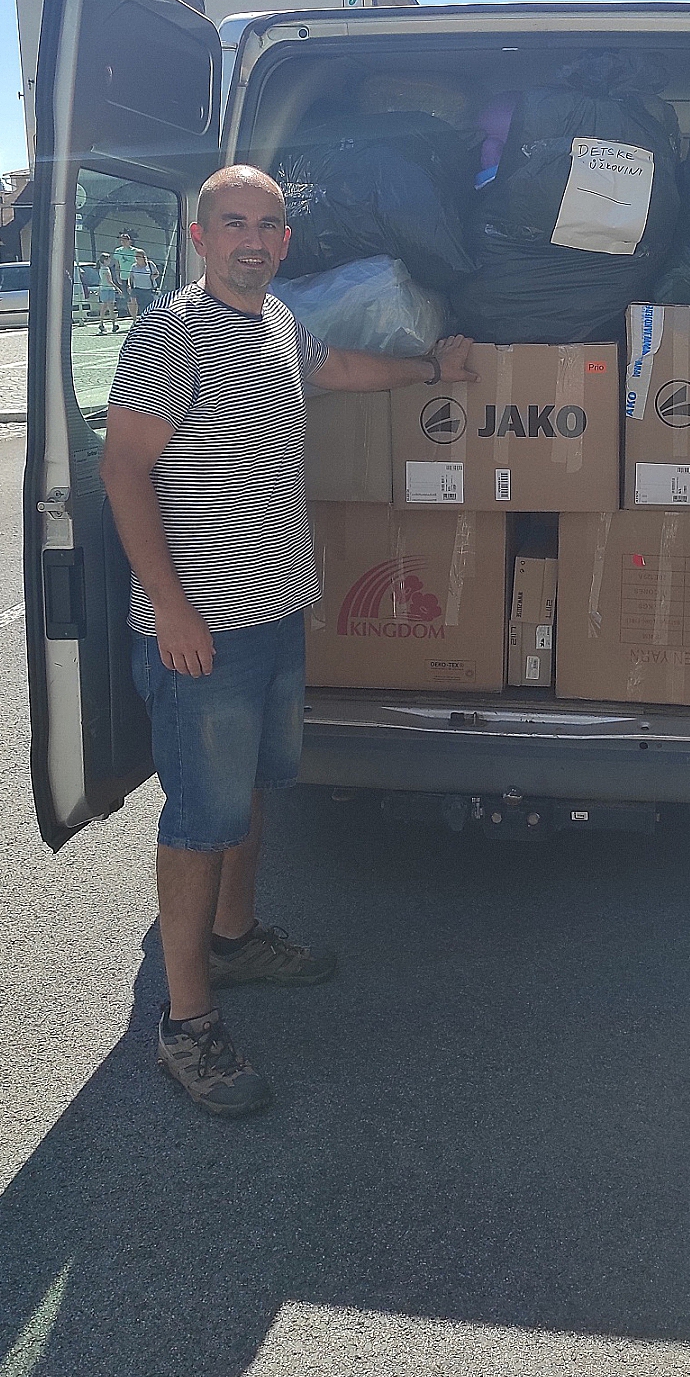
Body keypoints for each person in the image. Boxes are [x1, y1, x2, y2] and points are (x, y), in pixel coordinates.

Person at [99, 166, 477, 1120]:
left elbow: (337, 369)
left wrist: (432, 368)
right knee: (199, 822)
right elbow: (122, 470)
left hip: (272, 614)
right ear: (199, 237)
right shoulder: (169, 334)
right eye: (234, 224)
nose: (253, 240)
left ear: (284, 241)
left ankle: (236, 940)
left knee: (254, 791)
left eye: (268, 225)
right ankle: (187, 1023)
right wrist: (171, 609)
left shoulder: (276, 322)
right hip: (203, 633)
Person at [114, 232, 139, 318]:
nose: (123, 242)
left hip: (134, 278)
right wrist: (117, 276)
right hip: (124, 277)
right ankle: (133, 316)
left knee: (135, 297)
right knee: (127, 298)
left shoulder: (135, 251)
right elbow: (117, 265)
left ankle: (137, 314)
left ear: (129, 241)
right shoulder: (118, 251)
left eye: (125, 240)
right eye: (122, 240)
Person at [95, 253, 119, 334]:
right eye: (108, 259)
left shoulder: (102, 269)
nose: (110, 260)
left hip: (103, 289)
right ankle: (113, 324)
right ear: (105, 260)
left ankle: (102, 323)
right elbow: (109, 281)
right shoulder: (105, 269)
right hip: (108, 289)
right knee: (111, 307)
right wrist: (117, 288)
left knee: (104, 307)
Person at [128, 248, 156, 315]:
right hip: (137, 288)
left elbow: (156, 273)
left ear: (143, 257)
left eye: (139, 256)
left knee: (148, 306)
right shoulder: (134, 266)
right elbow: (131, 277)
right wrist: (129, 285)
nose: (137, 258)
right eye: (136, 256)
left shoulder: (150, 264)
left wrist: (152, 277)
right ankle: (136, 318)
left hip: (148, 289)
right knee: (138, 305)